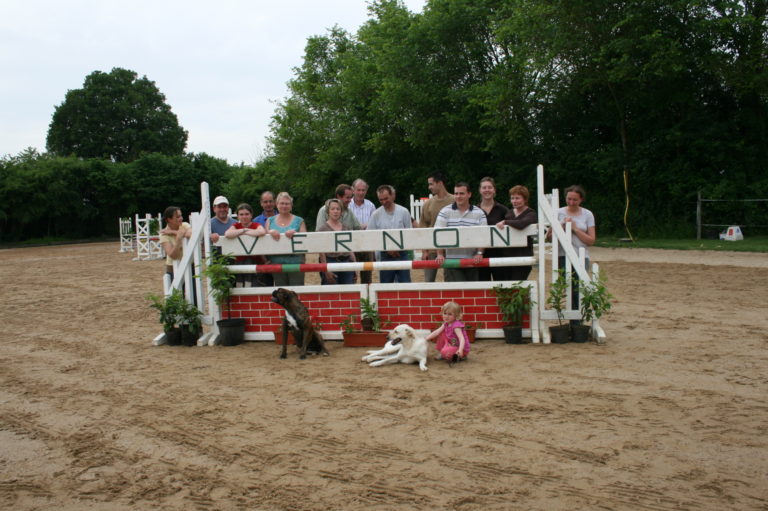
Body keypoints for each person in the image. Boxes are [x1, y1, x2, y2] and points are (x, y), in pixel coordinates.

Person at [550, 185, 596, 325]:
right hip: (563, 256)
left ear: (581, 199)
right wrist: (562, 227)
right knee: (569, 288)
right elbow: (549, 237)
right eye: (569, 199)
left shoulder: (587, 214)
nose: (571, 202)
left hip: (582, 256)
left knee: (580, 289)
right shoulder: (558, 212)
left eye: (574, 200)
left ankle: (577, 322)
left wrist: (575, 229)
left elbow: (591, 240)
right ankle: (573, 320)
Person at [434, 182, 487, 282]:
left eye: (462, 193)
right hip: (451, 261)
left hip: (472, 261)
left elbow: (484, 235)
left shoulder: (479, 213)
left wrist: (480, 253)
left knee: (472, 293)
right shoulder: (445, 211)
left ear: (469, 194)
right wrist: (440, 254)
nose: (458, 196)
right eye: (456, 193)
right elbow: (438, 234)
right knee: (455, 294)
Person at [366, 185, 413, 283]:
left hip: (402, 253)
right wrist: (386, 249)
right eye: (381, 200)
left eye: (386, 198)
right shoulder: (376, 214)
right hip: (384, 254)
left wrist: (398, 248)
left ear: (393, 196)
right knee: (385, 285)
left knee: (405, 284)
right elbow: (370, 235)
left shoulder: (404, 212)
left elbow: (409, 233)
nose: (383, 202)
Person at [495, 185, 538, 281]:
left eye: (517, 198)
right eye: (512, 198)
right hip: (507, 256)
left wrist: (505, 222)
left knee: (518, 284)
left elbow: (521, 224)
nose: (514, 201)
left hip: (523, 256)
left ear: (525, 199)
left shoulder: (531, 213)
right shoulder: (509, 213)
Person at [419, 171, 454, 282]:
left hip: (451, 249)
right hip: (432, 250)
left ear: (440, 183)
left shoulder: (454, 201)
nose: (429, 187)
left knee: (450, 282)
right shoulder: (428, 204)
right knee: (428, 282)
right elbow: (423, 228)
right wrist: (424, 251)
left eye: (431, 184)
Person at [266, 192, 307, 287]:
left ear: (291, 206)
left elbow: (305, 240)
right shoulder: (270, 221)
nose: (284, 206)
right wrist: (270, 232)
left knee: (296, 290)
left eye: (287, 203)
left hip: (295, 262)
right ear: (277, 205)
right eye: (282, 203)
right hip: (276, 263)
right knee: (281, 292)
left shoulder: (299, 220)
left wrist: (295, 234)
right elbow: (265, 237)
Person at [225, 203, 267, 287]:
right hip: (239, 260)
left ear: (251, 215)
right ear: (238, 216)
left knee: (249, 264)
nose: (244, 217)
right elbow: (227, 234)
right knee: (239, 281)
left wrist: (244, 231)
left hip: (254, 260)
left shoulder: (255, 225)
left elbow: (262, 231)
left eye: (247, 214)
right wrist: (244, 230)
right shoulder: (236, 225)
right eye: (241, 214)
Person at [317, 199, 357, 285]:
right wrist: (326, 270)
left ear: (341, 212)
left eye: (338, 209)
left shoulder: (346, 228)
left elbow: (350, 250)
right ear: (328, 211)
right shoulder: (322, 229)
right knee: (332, 293)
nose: (335, 211)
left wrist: (355, 267)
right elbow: (322, 253)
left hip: (346, 263)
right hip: (331, 262)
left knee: (348, 292)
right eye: (333, 209)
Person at [476, 177, 509, 281]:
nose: (487, 190)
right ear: (480, 190)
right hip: (479, 256)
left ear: (494, 190)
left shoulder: (503, 210)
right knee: (483, 287)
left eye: (489, 187)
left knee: (501, 287)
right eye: (484, 187)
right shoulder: (474, 210)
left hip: (500, 255)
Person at [349, 178, 376, 284]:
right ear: (353, 190)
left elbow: (373, 226)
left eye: (363, 190)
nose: (361, 192)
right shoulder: (347, 206)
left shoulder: (371, 205)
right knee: (351, 276)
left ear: (366, 191)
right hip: (351, 244)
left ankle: (367, 300)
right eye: (358, 190)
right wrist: (363, 226)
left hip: (367, 245)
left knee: (367, 277)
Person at [159, 206, 191, 279]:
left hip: (189, 265)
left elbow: (191, 234)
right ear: (169, 219)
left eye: (181, 215)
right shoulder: (164, 235)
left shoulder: (184, 225)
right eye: (178, 217)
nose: (181, 218)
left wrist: (173, 232)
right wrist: (178, 239)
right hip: (173, 268)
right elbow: (173, 256)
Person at [253, 191, 276, 287]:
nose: (268, 204)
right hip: (262, 261)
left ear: (274, 202)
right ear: (261, 203)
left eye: (270, 201)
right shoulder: (255, 221)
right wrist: (264, 260)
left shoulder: (284, 217)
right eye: (265, 202)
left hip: (281, 259)